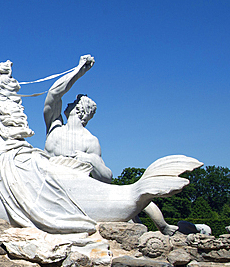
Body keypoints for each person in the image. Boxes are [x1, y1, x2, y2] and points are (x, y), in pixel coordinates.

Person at [43, 55, 178, 235]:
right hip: (48, 186)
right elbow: (53, 94)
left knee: (130, 194)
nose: (68, 103)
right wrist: (78, 72)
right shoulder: (55, 125)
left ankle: (162, 226)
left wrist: (90, 160)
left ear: (82, 111)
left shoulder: (90, 141)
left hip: (77, 191)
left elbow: (106, 177)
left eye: (74, 103)